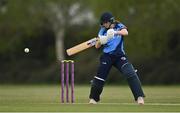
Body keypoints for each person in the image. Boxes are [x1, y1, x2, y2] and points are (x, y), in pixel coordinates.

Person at [89, 12, 145, 105]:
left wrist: (115, 32)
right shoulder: (102, 30)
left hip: (119, 56)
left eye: (105, 23)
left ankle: (139, 97)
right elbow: (97, 46)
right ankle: (94, 99)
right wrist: (102, 40)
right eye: (102, 23)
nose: (103, 25)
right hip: (107, 56)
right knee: (100, 76)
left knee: (130, 72)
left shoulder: (119, 25)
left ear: (110, 21)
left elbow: (125, 32)